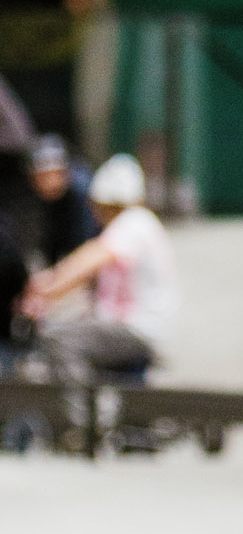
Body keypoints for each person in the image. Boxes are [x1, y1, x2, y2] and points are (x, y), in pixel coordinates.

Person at [18, 153, 177, 383]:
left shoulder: (134, 222)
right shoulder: (132, 225)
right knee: (72, 325)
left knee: (59, 338)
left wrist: (47, 288)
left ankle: (82, 414)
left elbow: (89, 260)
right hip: (128, 326)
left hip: (137, 328)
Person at [27, 134, 98, 268]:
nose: (44, 181)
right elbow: (51, 240)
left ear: (64, 172)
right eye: (39, 176)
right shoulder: (50, 197)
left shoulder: (83, 193)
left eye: (49, 174)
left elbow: (86, 243)